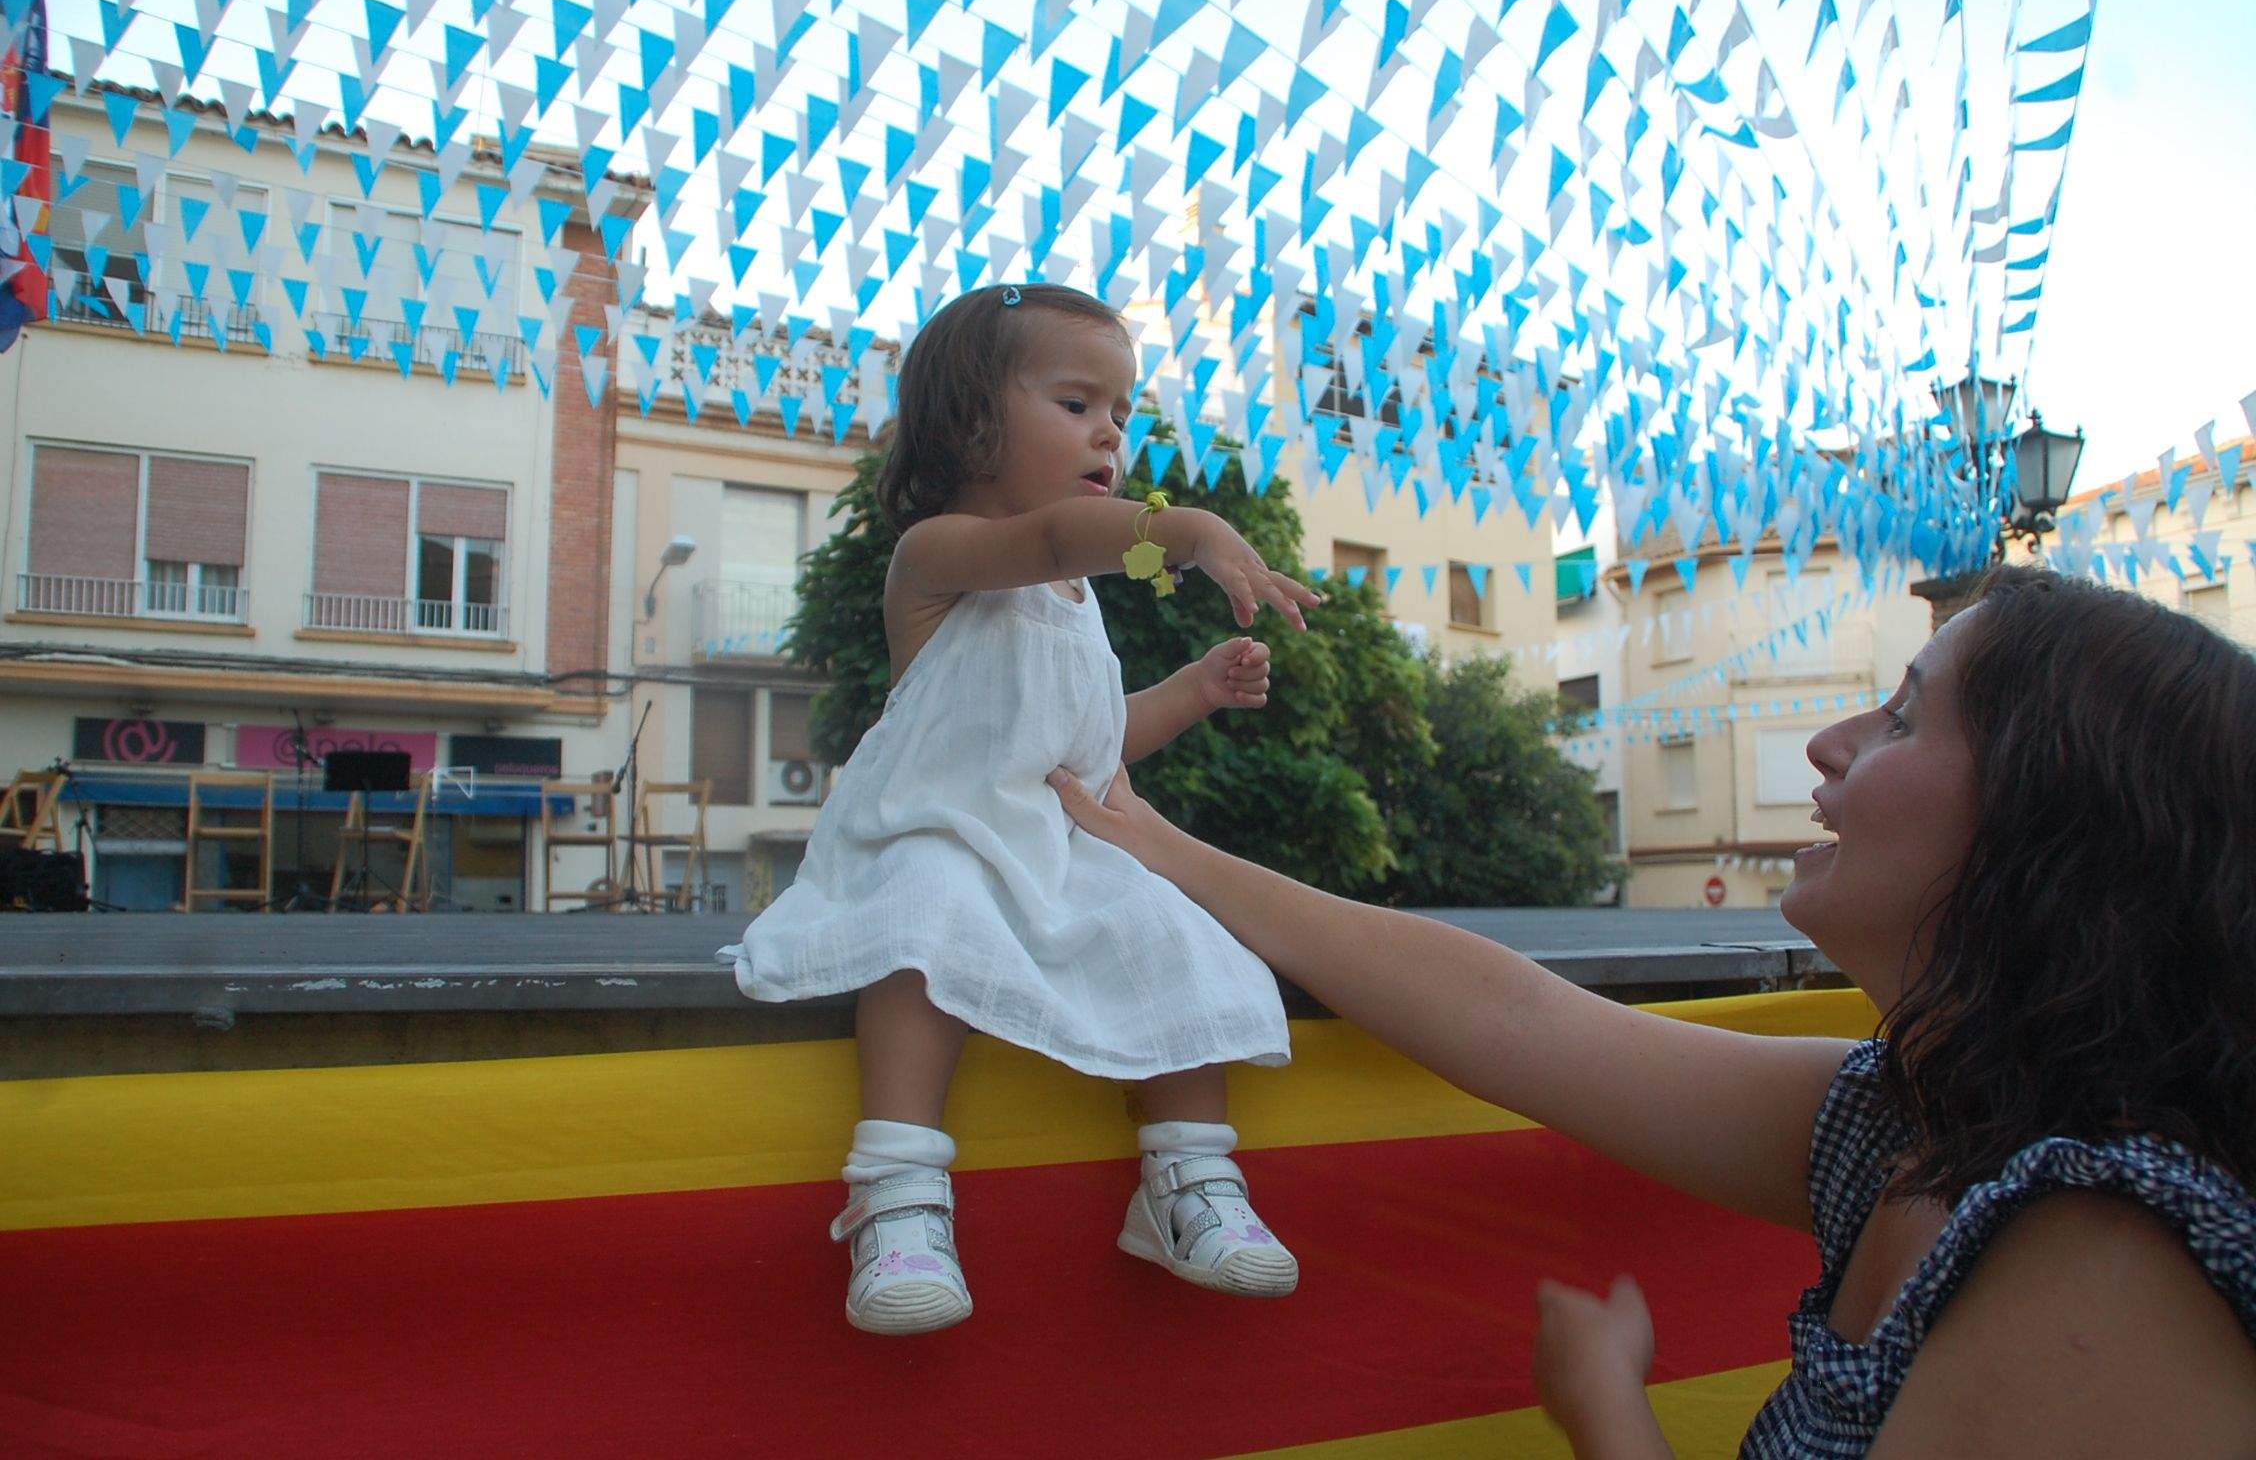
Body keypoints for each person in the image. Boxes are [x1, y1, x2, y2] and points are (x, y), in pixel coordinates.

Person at [1049, 565, 2256, 1455]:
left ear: (2052, 822)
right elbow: (1518, 1021)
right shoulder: (1904, 1120)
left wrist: (1604, 1404)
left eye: (1900, 717)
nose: (1829, 744)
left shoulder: (2117, 1253)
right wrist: (1160, 844)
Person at [724, 282, 1324, 1337]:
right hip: (935, 839)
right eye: (1077, 402)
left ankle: (1187, 1179)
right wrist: (1187, 531)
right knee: (925, 919)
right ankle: (897, 1189)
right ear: (970, 422)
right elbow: (1052, 539)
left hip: (1049, 851)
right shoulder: (940, 554)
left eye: (1122, 412)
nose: (1112, 432)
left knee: (1171, 927)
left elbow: (1091, 745)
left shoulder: (1078, 603)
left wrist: (1193, 690)